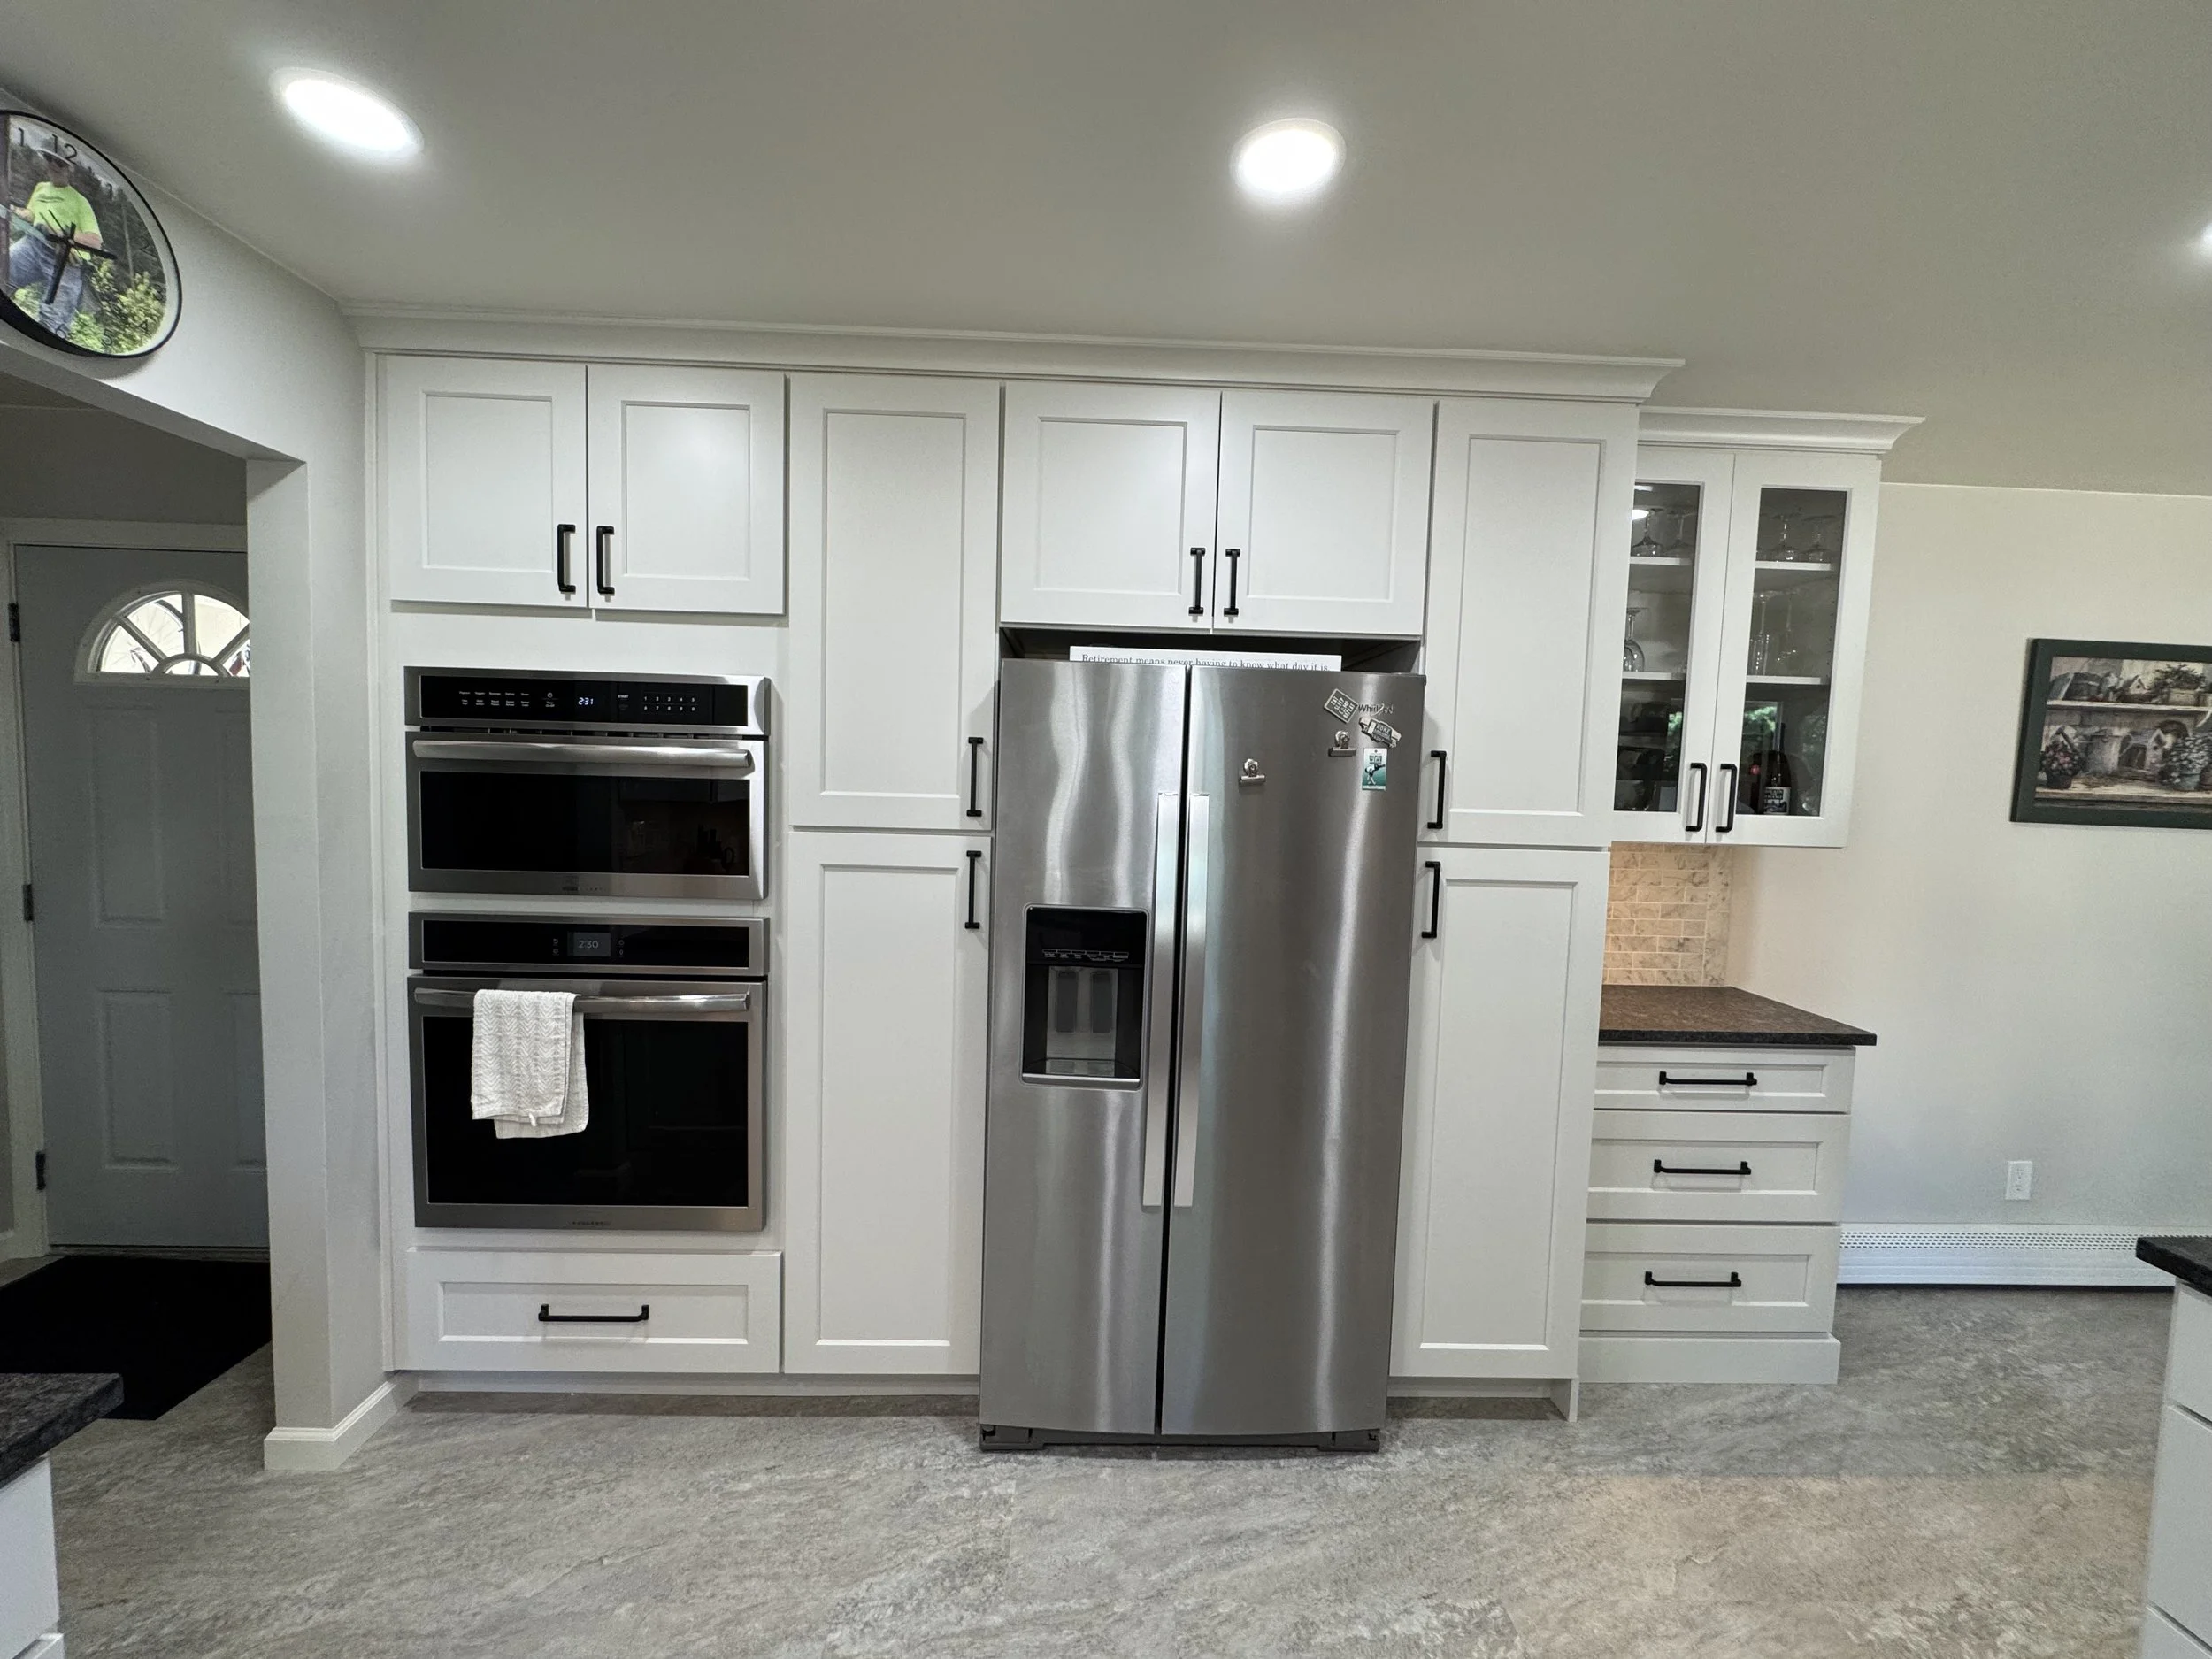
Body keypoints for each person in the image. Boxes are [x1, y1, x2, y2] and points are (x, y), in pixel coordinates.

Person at [7, 148, 103, 338]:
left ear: (69, 170)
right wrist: (18, 212)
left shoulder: (79, 201)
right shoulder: (41, 188)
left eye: (60, 163)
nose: (53, 165)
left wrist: (62, 234)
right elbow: (32, 214)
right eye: (49, 159)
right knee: (3, 272)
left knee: (52, 319)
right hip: (34, 245)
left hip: (66, 260)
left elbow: (95, 242)